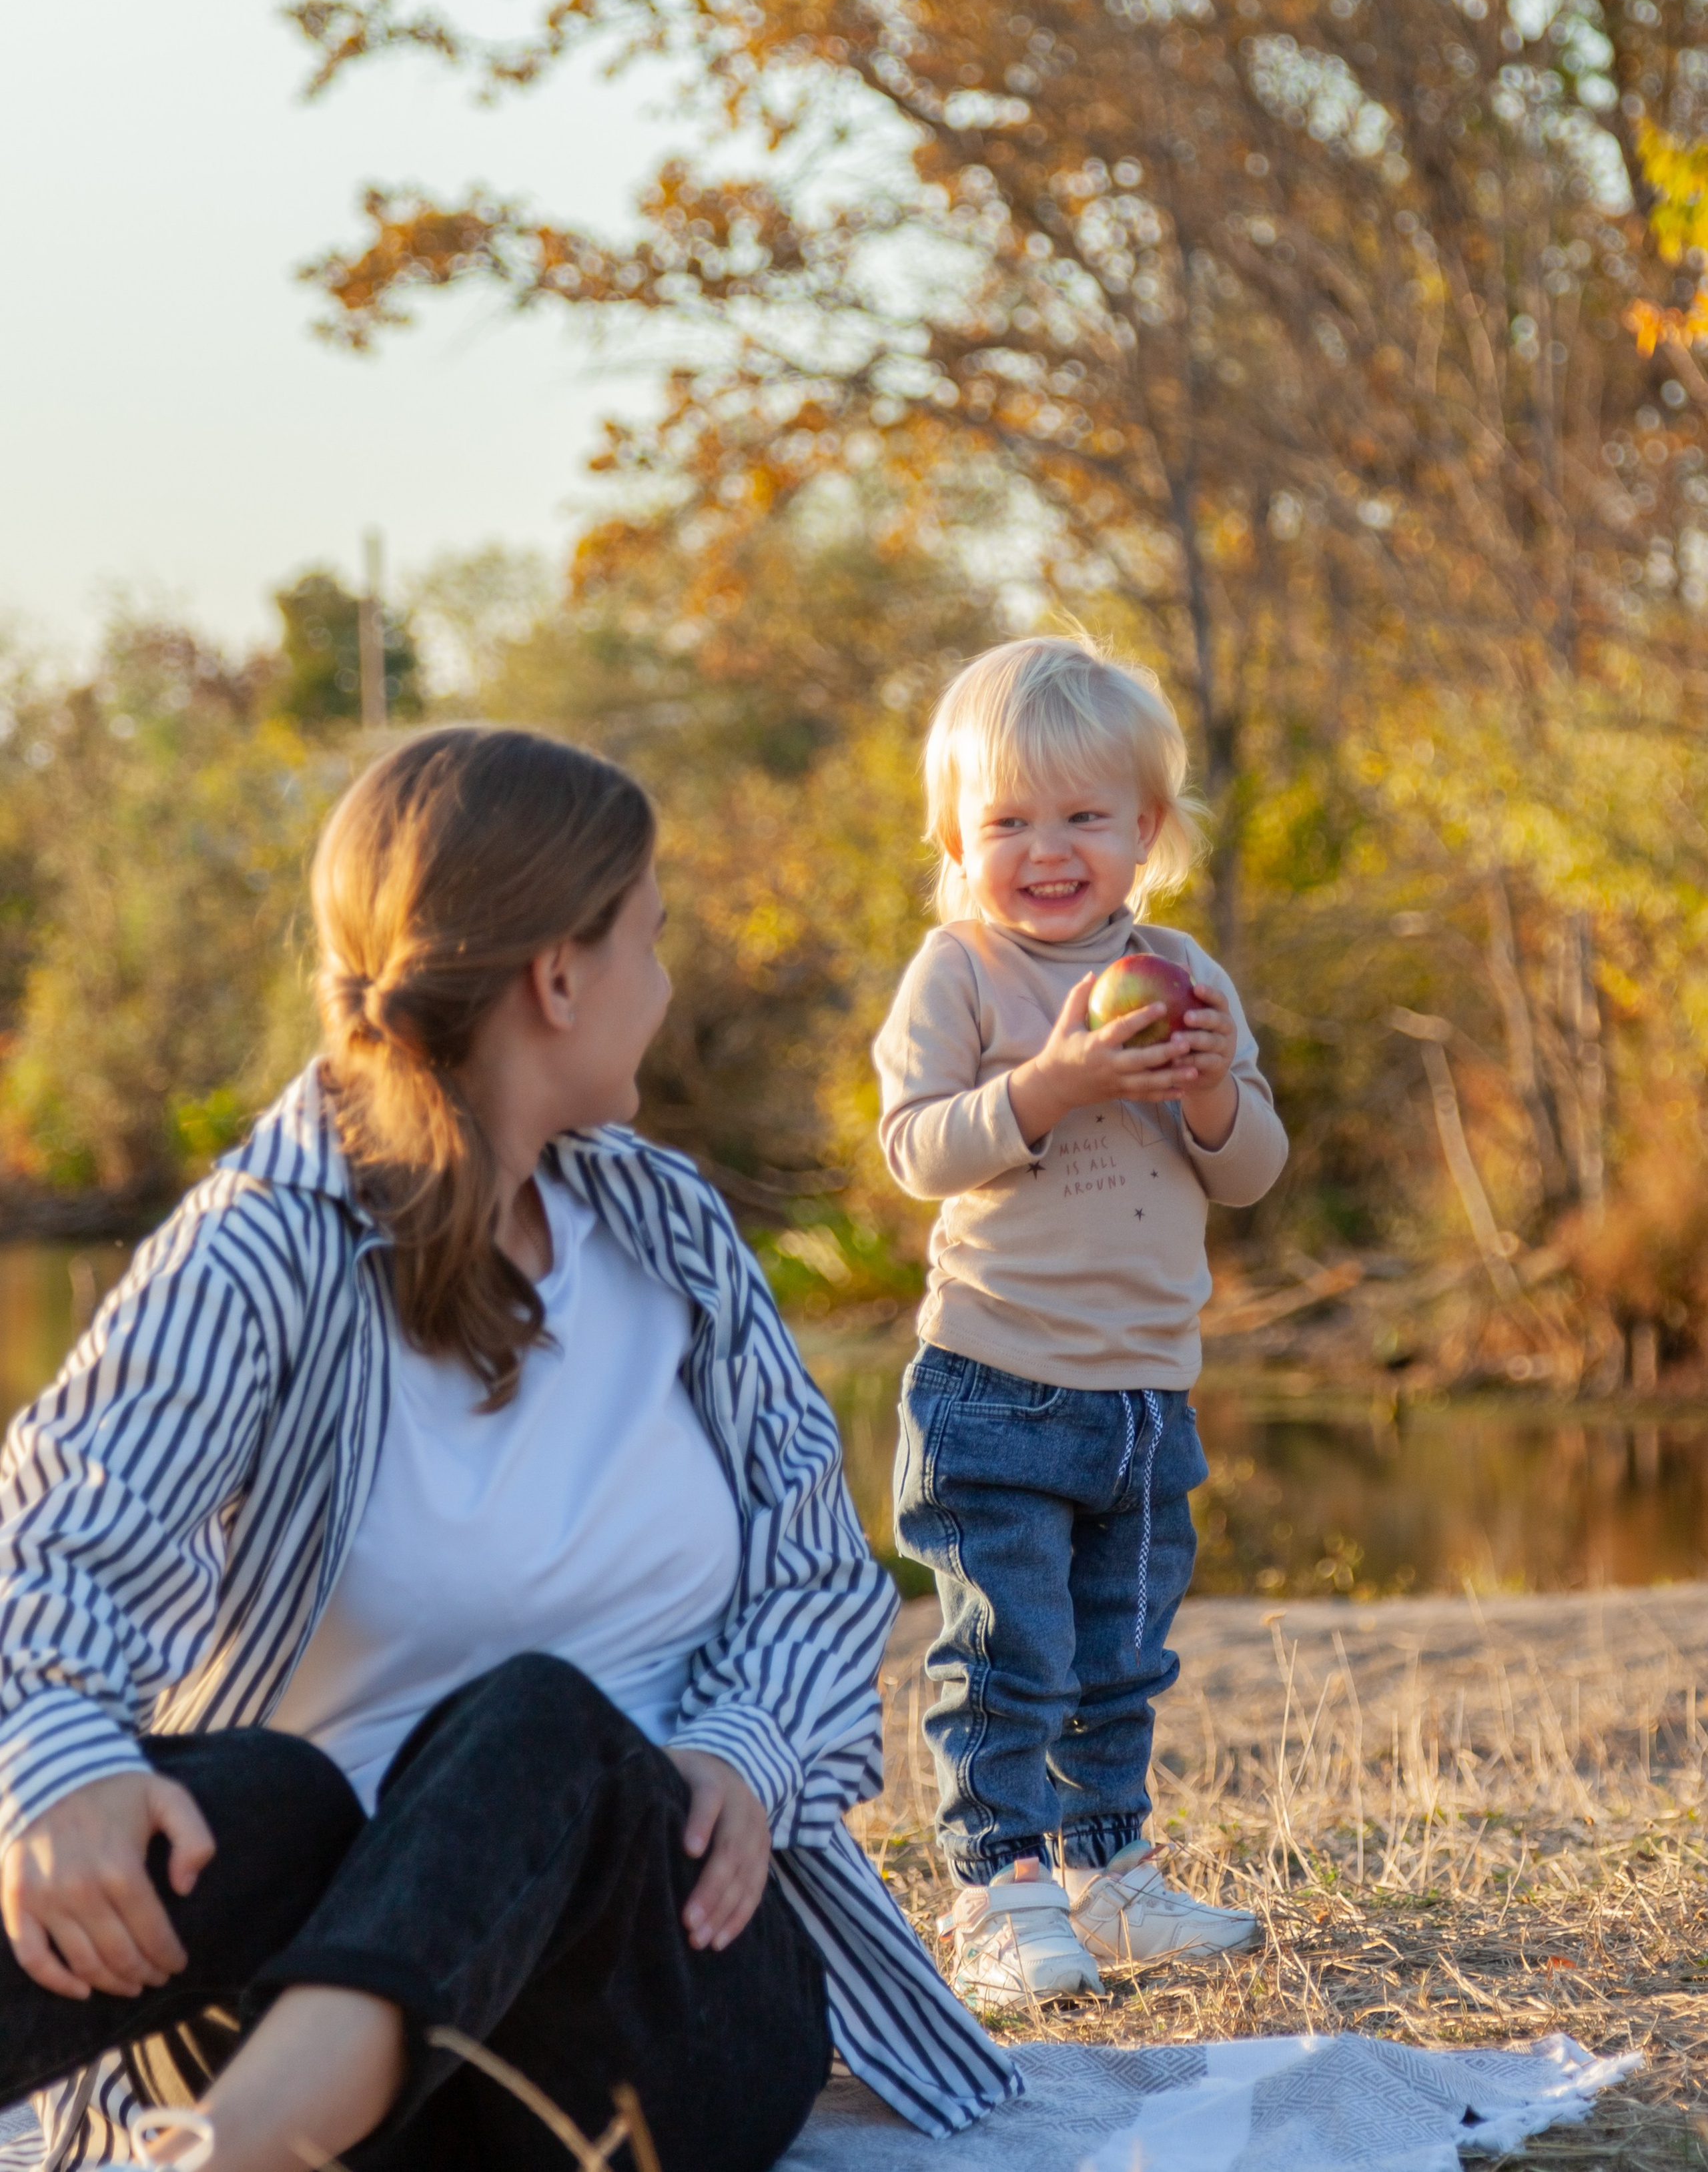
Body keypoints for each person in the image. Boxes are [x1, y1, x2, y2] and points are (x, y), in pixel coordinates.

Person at [0, 728, 1017, 2172]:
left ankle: (226, 2161)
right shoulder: (261, 1250)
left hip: (656, 2001)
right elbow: (54, 1537)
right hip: (310, 2001)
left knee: (532, 1719)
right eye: (649, 945)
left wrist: (741, 1745)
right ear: (558, 977)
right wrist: (55, 1767)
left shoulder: (674, 1237)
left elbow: (817, 1583)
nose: (661, 994)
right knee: (261, 1799)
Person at [873, 638, 1288, 2008]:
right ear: (954, 836)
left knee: (1117, 1656)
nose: (1044, 850)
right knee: (1001, 1655)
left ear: (1143, 832)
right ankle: (1000, 1894)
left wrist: (1211, 1090)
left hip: (1142, 1393)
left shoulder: (1183, 976)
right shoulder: (962, 973)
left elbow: (1247, 1170)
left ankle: (1110, 1872)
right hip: (993, 1380)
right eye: (1005, 822)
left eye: (1080, 818)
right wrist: (1046, 1083)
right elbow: (915, 1149)